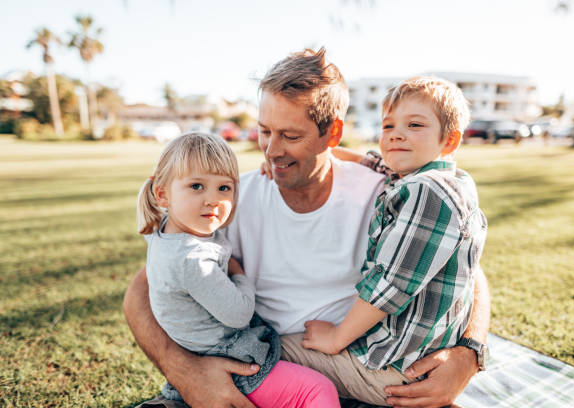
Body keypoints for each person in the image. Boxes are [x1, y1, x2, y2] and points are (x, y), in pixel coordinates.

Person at [123, 48, 491, 408]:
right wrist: (185, 372)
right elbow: (144, 287)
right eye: (265, 131)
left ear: (332, 134)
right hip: (267, 365)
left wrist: (470, 351)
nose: (271, 151)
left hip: (361, 362)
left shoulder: (384, 192)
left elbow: (465, 268)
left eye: (291, 136)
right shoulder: (229, 200)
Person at [296, 76, 488, 406]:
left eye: (414, 125)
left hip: (394, 367)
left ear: (450, 140)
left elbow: (391, 285)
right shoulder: (437, 178)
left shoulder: (429, 192)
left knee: (277, 350)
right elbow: (376, 162)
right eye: (388, 126)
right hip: (419, 355)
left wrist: (336, 338)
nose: (396, 134)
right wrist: (315, 155)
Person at [135, 132, 340, 407]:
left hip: (203, 348)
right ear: (162, 194)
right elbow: (239, 314)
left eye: (224, 188)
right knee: (316, 391)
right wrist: (239, 274)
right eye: (196, 186)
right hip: (231, 360)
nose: (213, 200)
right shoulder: (193, 260)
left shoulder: (170, 231)